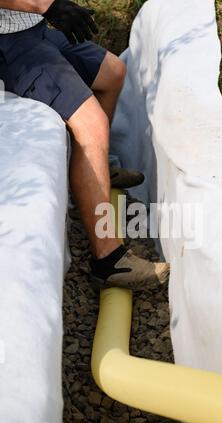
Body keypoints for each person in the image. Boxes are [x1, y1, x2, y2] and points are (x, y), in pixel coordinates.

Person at [0, 0, 170, 290]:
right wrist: (47, 6)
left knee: (112, 73)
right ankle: (108, 259)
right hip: (10, 47)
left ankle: (96, 173)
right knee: (92, 125)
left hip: (34, 29)